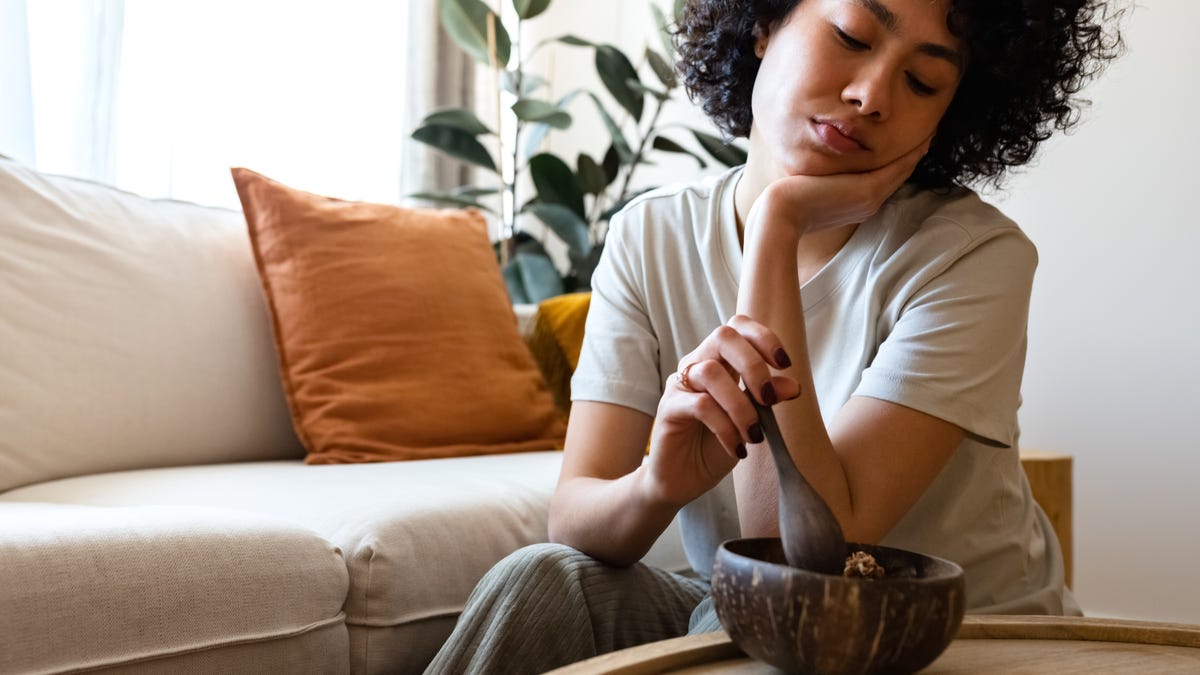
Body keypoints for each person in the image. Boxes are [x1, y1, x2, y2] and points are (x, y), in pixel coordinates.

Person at [424, 0, 1121, 672]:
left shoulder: (973, 257)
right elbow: (574, 519)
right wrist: (655, 486)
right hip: (753, 617)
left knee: (741, 627)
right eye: (851, 35)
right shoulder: (650, 236)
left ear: (951, 114)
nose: (873, 94)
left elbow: (802, 560)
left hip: (969, 634)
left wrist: (776, 225)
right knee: (544, 579)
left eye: (922, 80)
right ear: (764, 23)